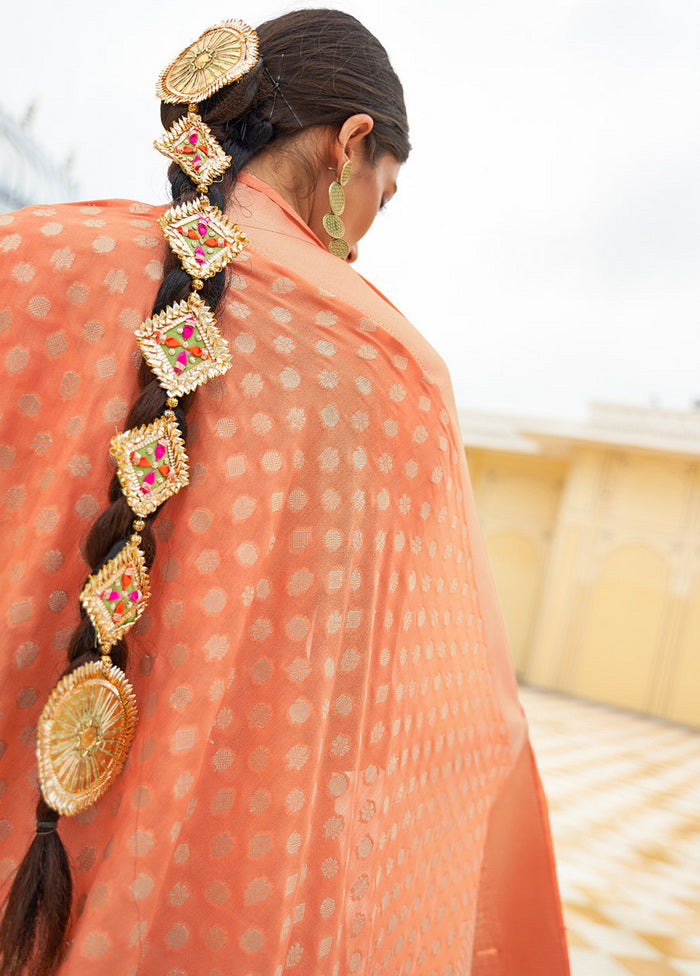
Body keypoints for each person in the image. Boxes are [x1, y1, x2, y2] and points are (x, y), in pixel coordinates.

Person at [0, 10, 570, 975]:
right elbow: (431, 712)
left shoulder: (31, 258)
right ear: (352, 144)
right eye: (385, 188)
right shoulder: (392, 370)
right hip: (208, 889)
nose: (369, 233)